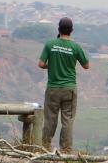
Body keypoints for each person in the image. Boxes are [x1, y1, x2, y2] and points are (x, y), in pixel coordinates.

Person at [38, 17, 89, 151]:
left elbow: (41, 64)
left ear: (58, 29)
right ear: (71, 31)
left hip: (53, 89)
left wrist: (52, 66)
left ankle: (45, 146)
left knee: (50, 119)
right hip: (69, 89)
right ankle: (65, 150)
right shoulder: (75, 47)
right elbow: (86, 65)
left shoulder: (50, 44)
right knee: (67, 120)